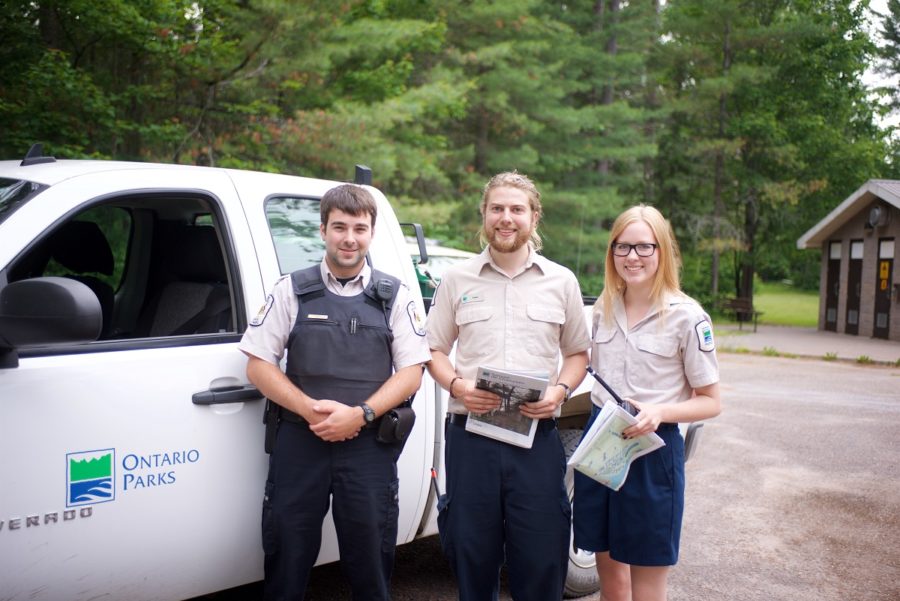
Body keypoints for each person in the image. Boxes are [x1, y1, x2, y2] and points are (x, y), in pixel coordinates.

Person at [239, 184, 431, 601]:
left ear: (371, 233)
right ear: (323, 229)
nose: (349, 238)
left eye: (359, 229)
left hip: (368, 445)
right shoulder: (291, 289)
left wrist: (360, 414)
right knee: (286, 552)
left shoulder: (393, 296)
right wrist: (309, 410)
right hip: (299, 441)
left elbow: (413, 372)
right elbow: (258, 363)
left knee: (370, 558)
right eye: (339, 227)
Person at [426, 171, 591, 601]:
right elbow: (434, 351)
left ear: (534, 217)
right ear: (483, 214)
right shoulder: (457, 279)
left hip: (537, 440)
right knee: (471, 554)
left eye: (517, 209)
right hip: (471, 438)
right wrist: (458, 386)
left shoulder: (562, 281)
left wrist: (560, 391)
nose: (506, 218)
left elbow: (577, 353)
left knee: (541, 558)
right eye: (497, 208)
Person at [572, 204, 722, 601]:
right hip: (601, 444)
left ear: (662, 251)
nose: (632, 257)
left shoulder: (686, 317)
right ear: (612, 253)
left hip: (652, 451)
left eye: (643, 247)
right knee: (609, 575)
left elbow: (711, 402)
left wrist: (661, 411)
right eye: (622, 247)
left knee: (648, 582)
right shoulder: (602, 310)